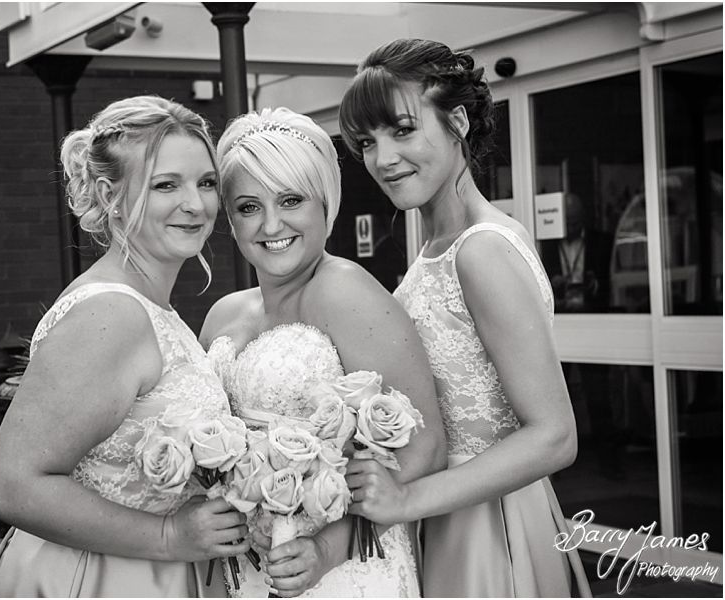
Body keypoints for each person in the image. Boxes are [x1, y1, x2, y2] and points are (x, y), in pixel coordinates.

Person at [338, 39, 592, 597]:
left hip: (488, 525)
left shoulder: (480, 250)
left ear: (457, 121)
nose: (383, 158)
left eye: (402, 130)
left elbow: (554, 437)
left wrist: (406, 499)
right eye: (367, 142)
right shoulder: (442, 246)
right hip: (449, 510)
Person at [0, 96, 249, 597]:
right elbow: (9, 486)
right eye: (166, 184)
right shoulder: (112, 313)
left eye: (206, 182)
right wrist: (168, 536)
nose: (196, 204)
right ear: (110, 194)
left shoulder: (152, 307)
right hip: (100, 579)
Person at [200, 107, 447, 598]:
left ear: (326, 203)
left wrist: (327, 550)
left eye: (290, 200)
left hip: (342, 570)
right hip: (247, 570)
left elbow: (427, 448)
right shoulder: (222, 315)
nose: (271, 224)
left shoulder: (345, 290)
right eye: (248, 207)